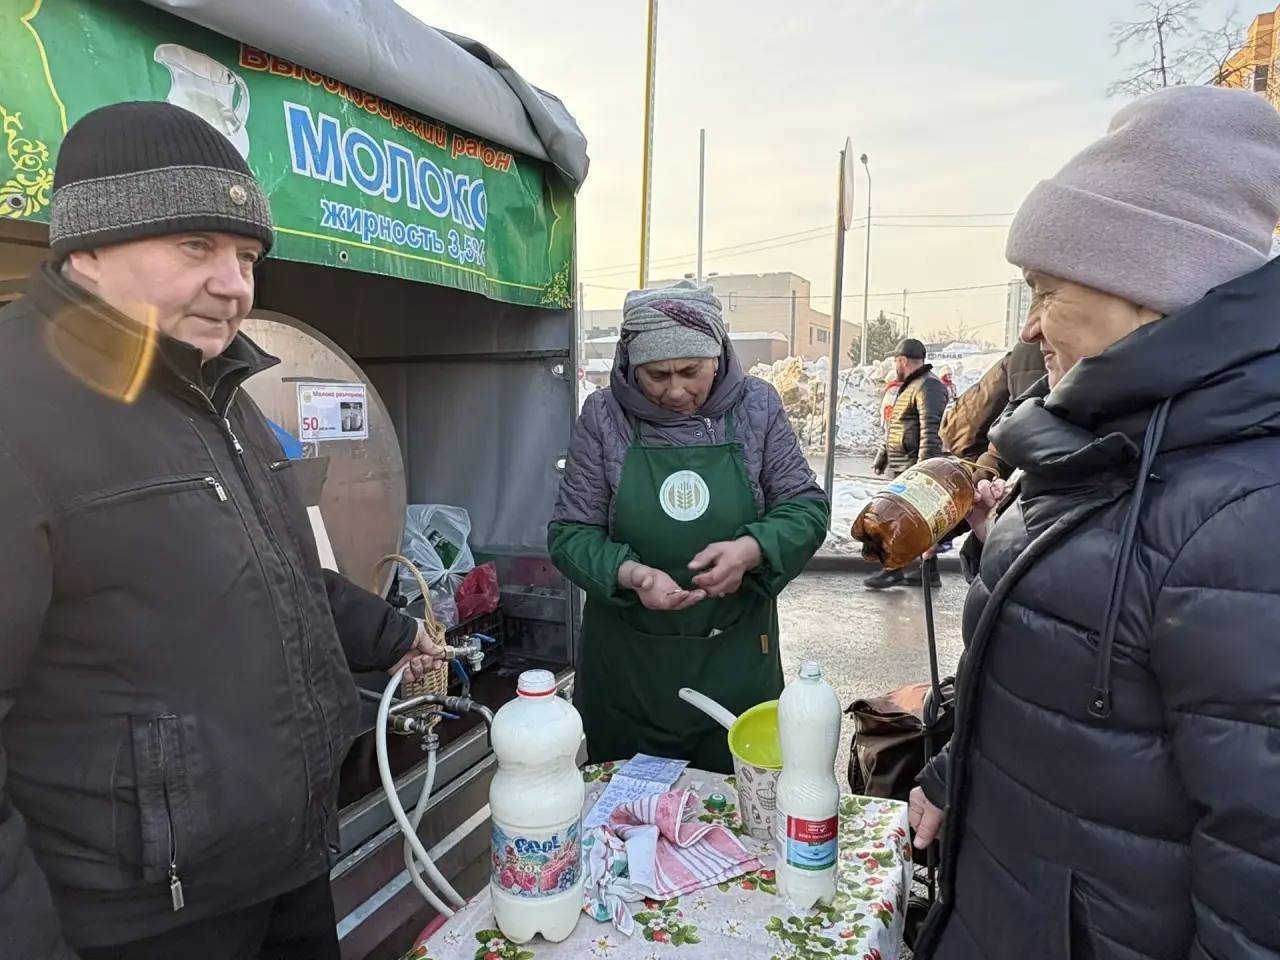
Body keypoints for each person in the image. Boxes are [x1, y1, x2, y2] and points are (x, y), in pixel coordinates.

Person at [0, 102, 447, 960]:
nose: (235, 284)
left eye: (246, 256)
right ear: (86, 248)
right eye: (194, 246)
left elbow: (276, 573)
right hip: (140, 917)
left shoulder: (214, 394)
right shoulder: (16, 411)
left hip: (280, 870)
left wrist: (391, 634)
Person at [908, 86, 1280, 960]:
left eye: (1046, 290)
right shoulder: (1094, 441)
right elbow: (1057, 696)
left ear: (1149, 292)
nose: (1030, 325)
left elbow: (1262, 866)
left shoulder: (1243, 513)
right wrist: (952, 774)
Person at [549, 280, 829, 774]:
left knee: (736, 814)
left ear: (718, 355)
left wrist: (753, 548)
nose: (675, 390)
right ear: (630, 365)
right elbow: (571, 533)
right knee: (627, 815)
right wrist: (631, 575)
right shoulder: (604, 417)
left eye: (690, 371)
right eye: (656, 375)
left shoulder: (756, 409)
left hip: (736, 657)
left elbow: (805, 508)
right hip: (630, 665)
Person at [865, 338, 949, 589]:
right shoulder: (913, 385)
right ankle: (928, 572)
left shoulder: (928, 386)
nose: (894, 366)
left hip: (913, 467)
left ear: (902, 360)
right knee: (913, 521)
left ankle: (893, 569)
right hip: (903, 465)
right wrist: (883, 456)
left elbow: (930, 430)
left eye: (895, 361)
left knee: (896, 521)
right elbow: (897, 426)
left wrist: (924, 472)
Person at [939, 339, 1045, 480]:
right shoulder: (1034, 353)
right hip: (981, 450)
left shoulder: (1029, 352)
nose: (1027, 331)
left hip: (974, 446)